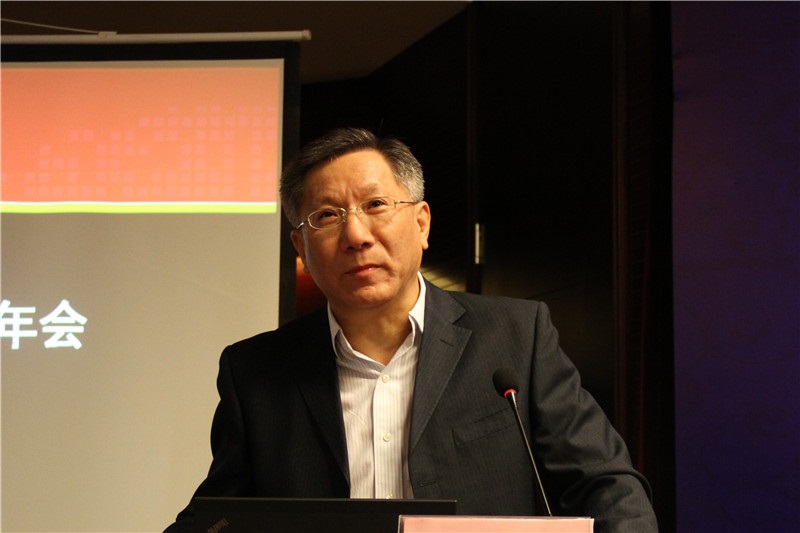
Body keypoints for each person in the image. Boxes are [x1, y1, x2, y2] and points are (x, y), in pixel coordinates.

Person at [164, 127, 658, 532]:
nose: (356, 235)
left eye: (376, 205)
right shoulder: (256, 370)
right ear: (301, 247)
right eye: (327, 215)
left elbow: (607, 485)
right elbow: (219, 518)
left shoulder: (515, 337)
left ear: (421, 223)